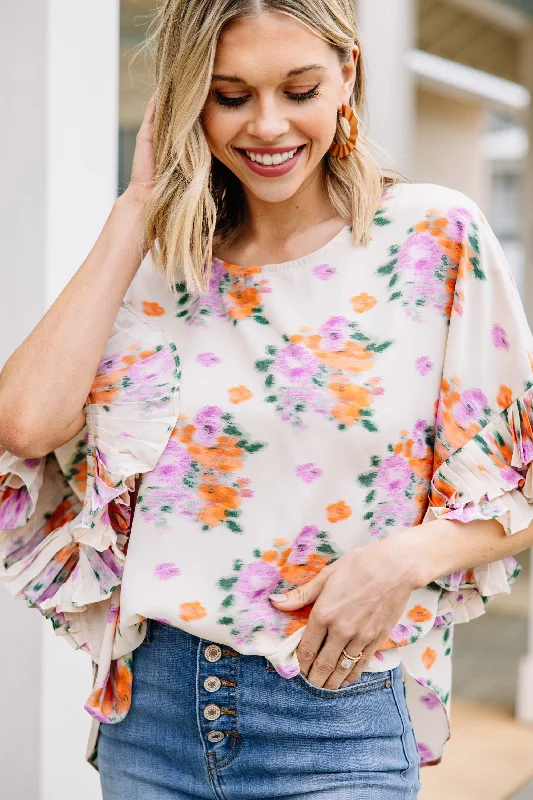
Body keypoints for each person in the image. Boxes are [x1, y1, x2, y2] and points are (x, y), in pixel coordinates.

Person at [2, 1, 533, 797]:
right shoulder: (162, 265)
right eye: (230, 95)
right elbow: (27, 423)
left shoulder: (432, 239)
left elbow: (519, 474)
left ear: (345, 75)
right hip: (152, 719)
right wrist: (137, 205)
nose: (268, 125)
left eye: (298, 88)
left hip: (336, 724)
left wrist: (402, 559)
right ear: (189, 102)